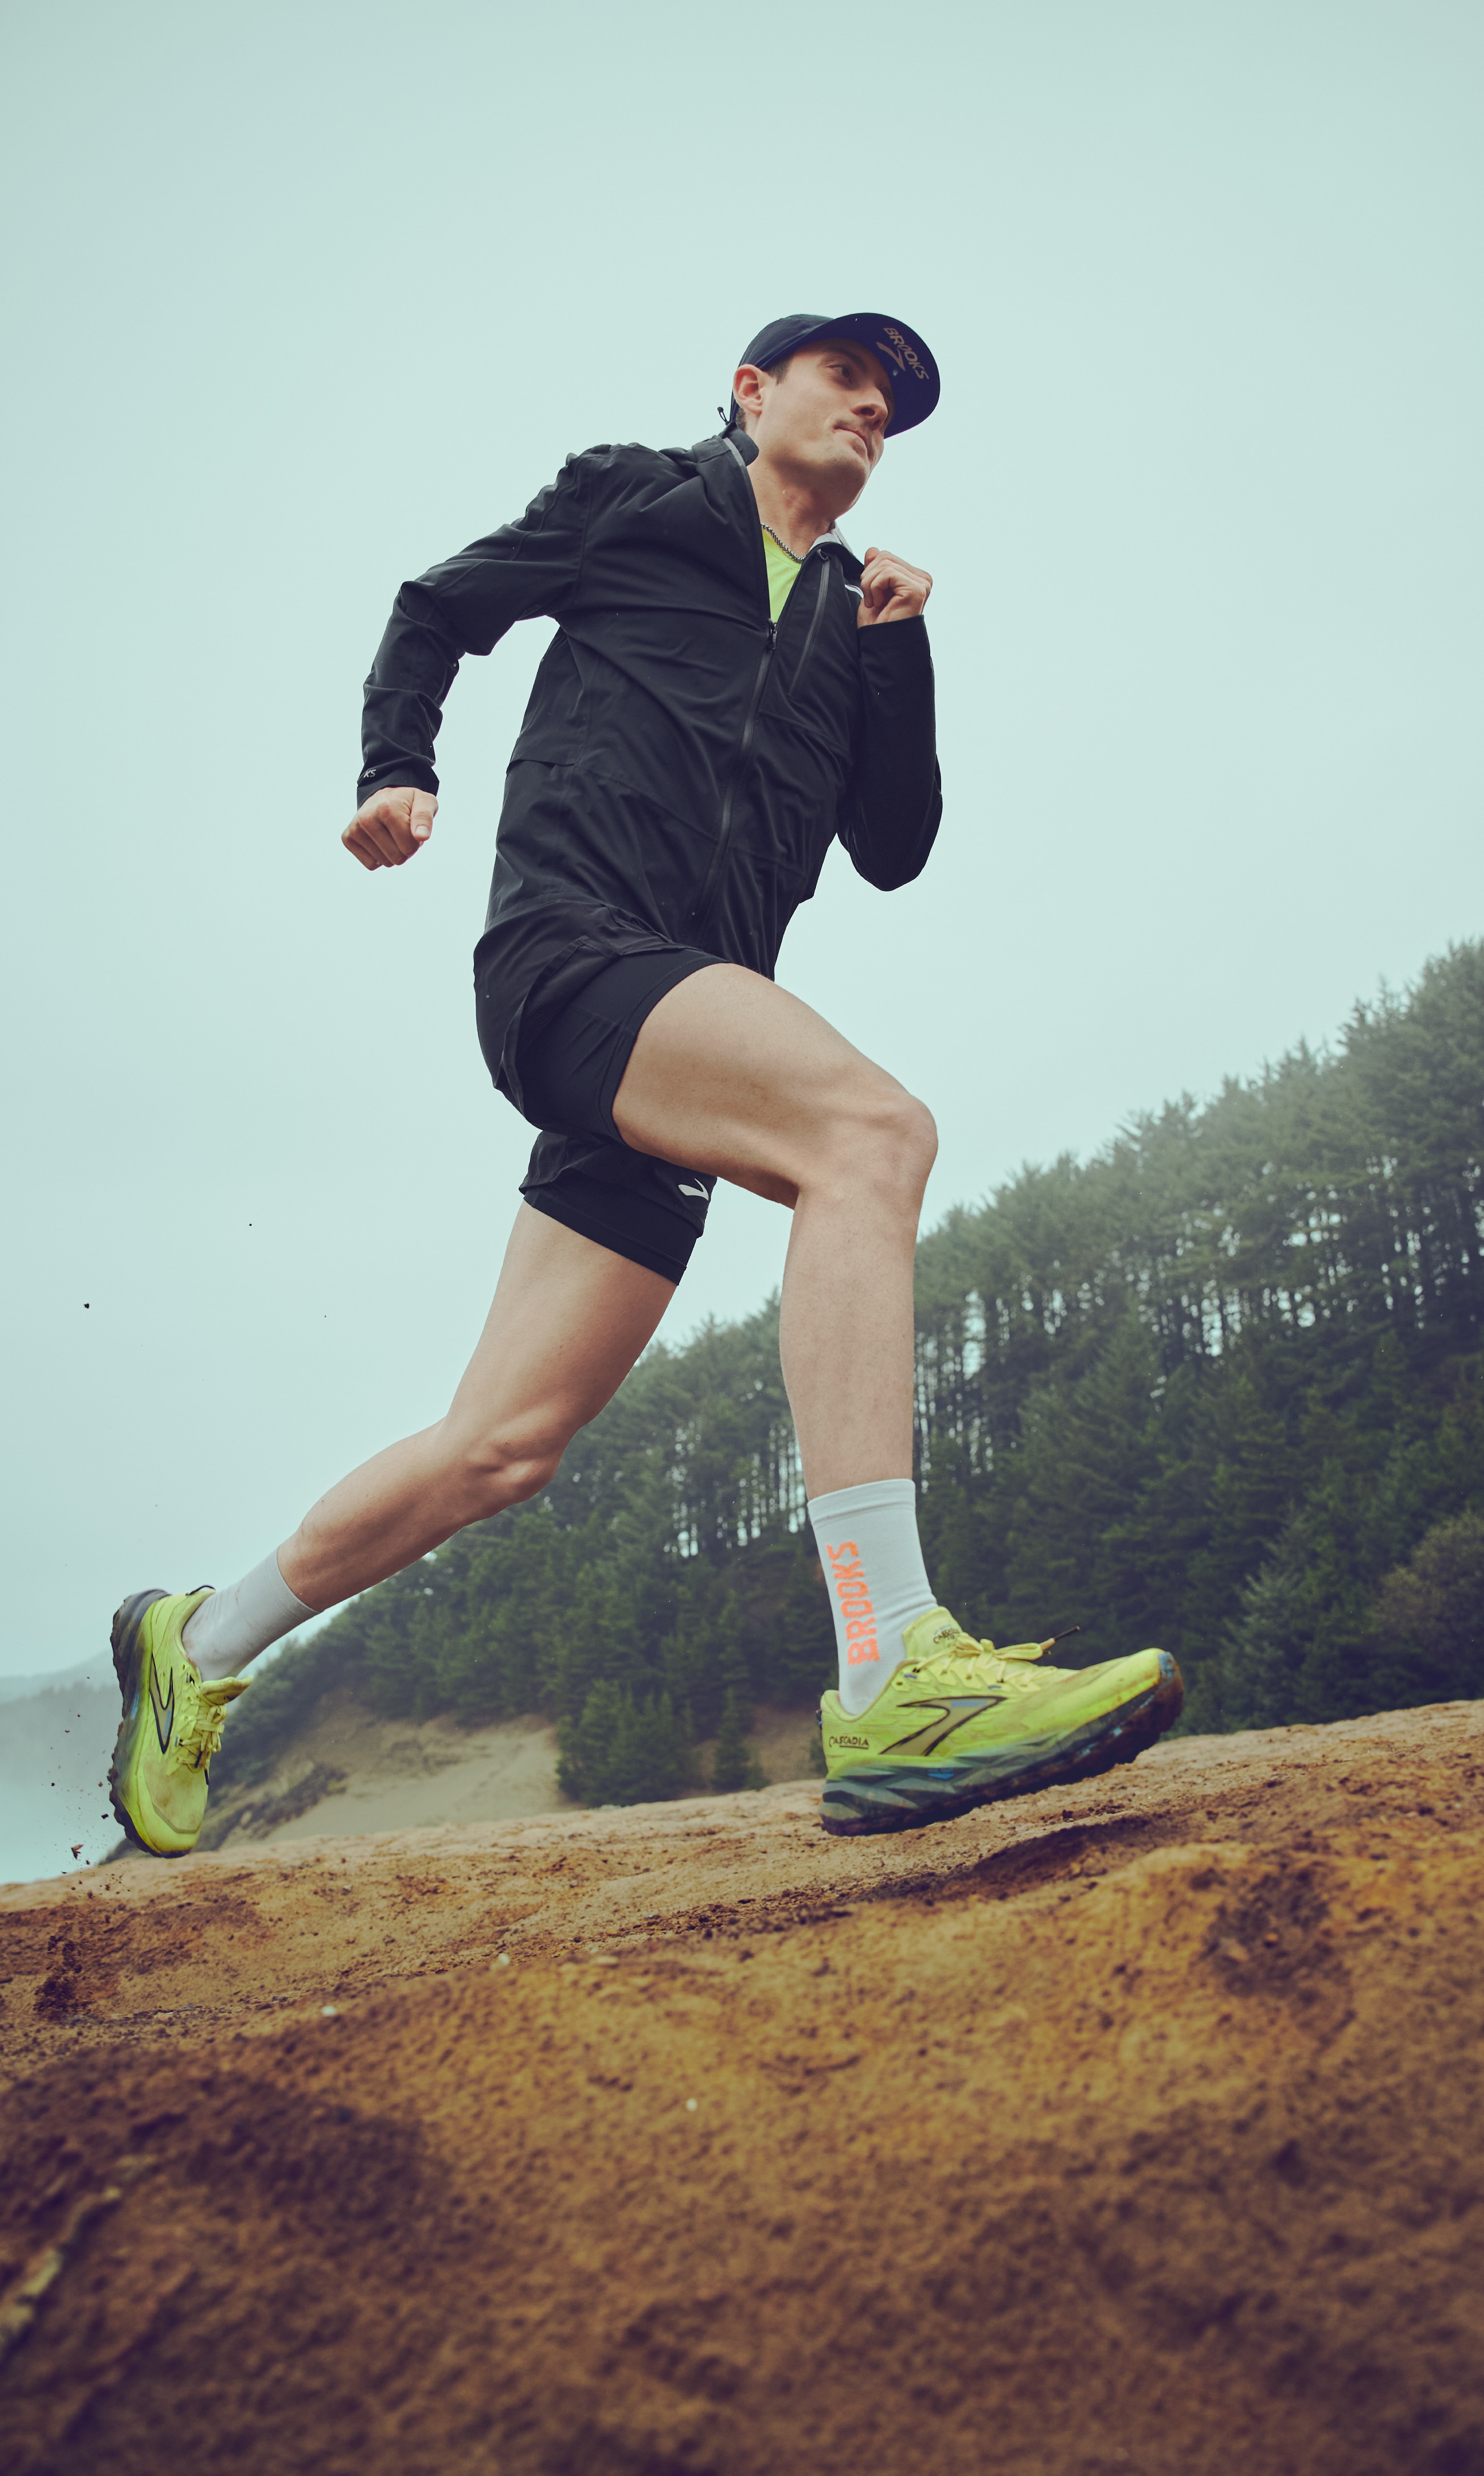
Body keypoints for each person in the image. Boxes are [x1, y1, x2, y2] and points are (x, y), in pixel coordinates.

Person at [108, 310, 1182, 1859]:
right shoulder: (639, 500)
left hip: (689, 1023)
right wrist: (393, 767)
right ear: (753, 394)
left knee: (503, 1442)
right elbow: (439, 607)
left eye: (897, 410)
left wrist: (902, 649)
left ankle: (197, 1643)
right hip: (572, 957)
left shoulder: (850, 611)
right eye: (845, 380)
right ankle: (892, 1665)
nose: (875, 410)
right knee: (871, 1134)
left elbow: (894, 846)